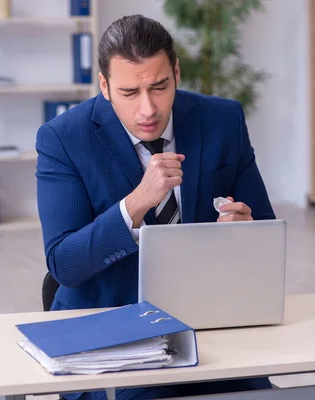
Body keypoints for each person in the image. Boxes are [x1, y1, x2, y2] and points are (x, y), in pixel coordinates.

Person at [36, 14, 276, 400]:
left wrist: (245, 229)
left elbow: (267, 233)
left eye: (160, 87)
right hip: (112, 336)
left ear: (176, 73)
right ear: (105, 86)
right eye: (129, 92)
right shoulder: (64, 138)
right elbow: (63, 263)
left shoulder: (222, 120)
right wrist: (134, 205)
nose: (148, 109)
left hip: (210, 327)